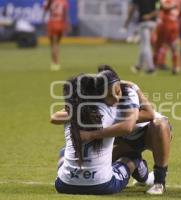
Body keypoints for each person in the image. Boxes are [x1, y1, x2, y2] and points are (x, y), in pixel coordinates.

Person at [51, 66, 172, 195]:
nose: (116, 98)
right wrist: (79, 113)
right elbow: (55, 117)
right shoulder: (96, 105)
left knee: (160, 125)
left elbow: (145, 117)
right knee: (120, 158)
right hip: (120, 140)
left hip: (143, 135)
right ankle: (142, 175)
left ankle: (159, 181)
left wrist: (92, 134)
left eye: (118, 91)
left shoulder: (128, 94)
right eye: (109, 95)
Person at [54, 73, 142, 195]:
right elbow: (132, 125)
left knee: (63, 152)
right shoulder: (109, 110)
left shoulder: (70, 112)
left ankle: (72, 175)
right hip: (103, 185)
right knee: (134, 156)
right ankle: (145, 178)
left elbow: (53, 118)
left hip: (64, 185)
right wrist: (134, 91)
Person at [124, 0, 159, 74]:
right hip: (153, 23)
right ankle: (138, 66)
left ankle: (151, 67)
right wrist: (151, 16)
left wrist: (127, 22)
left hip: (143, 22)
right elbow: (158, 9)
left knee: (146, 45)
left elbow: (132, 9)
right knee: (144, 44)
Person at [154, 0, 181, 74]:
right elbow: (161, 6)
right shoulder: (176, 2)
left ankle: (156, 66)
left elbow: (161, 6)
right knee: (169, 47)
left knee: (161, 46)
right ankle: (158, 65)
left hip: (167, 25)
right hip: (169, 25)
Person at [43, 0, 69, 71]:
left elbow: (45, 9)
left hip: (53, 23)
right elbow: (65, 15)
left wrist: (43, 21)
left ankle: (55, 63)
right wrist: (66, 25)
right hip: (60, 23)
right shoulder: (64, 1)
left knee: (53, 44)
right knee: (57, 44)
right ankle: (55, 62)